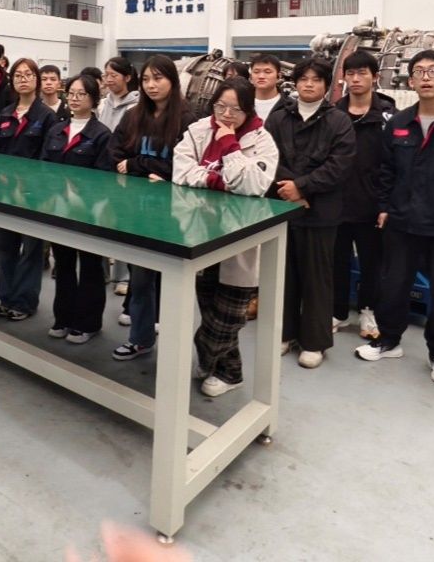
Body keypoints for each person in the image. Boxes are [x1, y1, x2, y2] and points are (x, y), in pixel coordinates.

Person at [355, 50, 434, 388]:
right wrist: (384, 206)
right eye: (419, 72)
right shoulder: (398, 123)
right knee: (393, 284)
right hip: (402, 220)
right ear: (410, 81)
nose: (426, 77)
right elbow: (386, 171)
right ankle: (389, 340)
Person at [173, 78, 278, 397]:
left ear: (249, 110)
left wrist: (230, 144)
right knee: (209, 309)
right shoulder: (198, 130)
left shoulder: (262, 141)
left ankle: (208, 356)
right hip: (200, 232)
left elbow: (253, 185)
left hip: (238, 240)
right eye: (221, 107)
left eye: (236, 109)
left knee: (227, 319)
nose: (227, 114)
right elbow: (181, 173)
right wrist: (219, 181)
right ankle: (230, 373)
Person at [265, 57, 356, 368]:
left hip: (321, 212)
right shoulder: (279, 117)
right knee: (284, 275)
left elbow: (339, 165)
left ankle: (315, 342)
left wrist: (302, 188)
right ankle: (285, 333)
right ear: (295, 82)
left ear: (326, 85)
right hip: (282, 207)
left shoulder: (339, 121)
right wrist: (289, 189)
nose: (309, 84)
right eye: (303, 78)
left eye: (316, 79)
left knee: (317, 279)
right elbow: (266, 156)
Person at [109, 55, 195, 361]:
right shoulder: (133, 116)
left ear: (172, 81)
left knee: (170, 280)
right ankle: (141, 338)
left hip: (173, 212)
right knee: (141, 276)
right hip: (136, 209)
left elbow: (185, 167)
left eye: (158, 78)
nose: (151, 85)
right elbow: (114, 153)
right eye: (146, 79)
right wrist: (145, 167)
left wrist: (136, 163)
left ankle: (170, 344)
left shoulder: (188, 119)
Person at [41, 73, 113, 343]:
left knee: (91, 267)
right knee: (64, 265)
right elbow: (43, 167)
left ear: (93, 99)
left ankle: (88, 323)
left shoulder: (102, 134)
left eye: (81, 94)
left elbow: (104, 177)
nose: (74, 98)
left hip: (88, 212)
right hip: (60, 209)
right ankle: (63, 318)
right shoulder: (56, 130)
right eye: (70, 93)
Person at [0, 57, 57, 320]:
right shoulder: (5, 114)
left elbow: (48, 156)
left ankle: (25, 302)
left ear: (36, 80)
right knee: (3, 246)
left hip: (32, 195)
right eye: (18, 75)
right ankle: (7, 298)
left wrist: (31, 184)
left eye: (28, 74)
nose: (23, 79)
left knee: (31, 250)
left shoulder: (47, 116)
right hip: (5, 193)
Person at [332, 51, 395, 341]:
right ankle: (338, 311)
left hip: (373, 204)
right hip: (338, 202)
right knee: (337, 261)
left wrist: (386, 203)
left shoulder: (388, 116)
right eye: (351, 73)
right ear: (344, 77)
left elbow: (394, 162)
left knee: (373, 262)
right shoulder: (334, 113)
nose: (356, 79)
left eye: (362, 73)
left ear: (375, 77)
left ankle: (368, 310)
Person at [98, 56, 139, 294]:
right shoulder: (103, 104)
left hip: (124, 171)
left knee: (123, 224)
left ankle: (123, 278)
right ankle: (102, 272)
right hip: (103, 169)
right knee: (101, 220)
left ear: (127, 77)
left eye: (114, 75)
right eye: (106, 75)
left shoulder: (136, 106)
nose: (109, 79)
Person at [249, 54, 282, 122]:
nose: (261, 76)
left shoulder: (290, 106)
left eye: (267, 72)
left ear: (278, 76)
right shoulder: (241, 104)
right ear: (251, 77)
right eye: (256, 72)